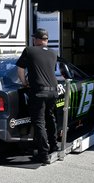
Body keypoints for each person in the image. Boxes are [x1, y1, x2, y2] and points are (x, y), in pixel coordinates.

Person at [16, 28, 59, 166]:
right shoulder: (54, 53)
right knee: (50, 117)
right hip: (53, 91)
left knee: (39, 122)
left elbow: (20, 69)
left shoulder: (29, 50)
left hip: (39, 91)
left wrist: (24, 83)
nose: (33, 40)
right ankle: (54, 146)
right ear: (46, 40)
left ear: (37, 39)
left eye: (34, 38)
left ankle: (43, 154)